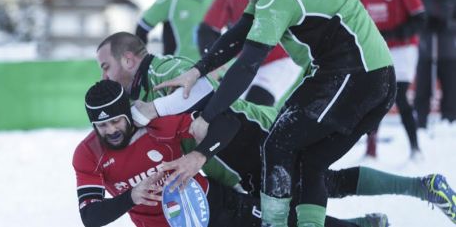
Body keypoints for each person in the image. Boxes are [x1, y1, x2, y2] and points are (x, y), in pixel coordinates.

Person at [96, 31, 456, 226]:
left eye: (106, 66)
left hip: (252, 137)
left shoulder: (163, 70)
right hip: (236, 152)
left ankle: (411, 195)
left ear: (129, 59)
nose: (104, 76)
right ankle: (389, 210)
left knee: (292, 198)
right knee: (313, 186)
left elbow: (212, 104)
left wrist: (159, 119)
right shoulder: (144, 90)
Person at [152, 0, 400, 225]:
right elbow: (239, 32)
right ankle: (415, 188)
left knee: (278, 143)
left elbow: (247, 64)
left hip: (358, 74)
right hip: (361, 73)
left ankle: (275, 222)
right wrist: (198, 70)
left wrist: (208, 116)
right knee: (310, 162)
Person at [73, 79, 268, 227]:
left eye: (116, 121)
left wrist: (198, 156)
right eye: (102, 125)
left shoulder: (156, 124)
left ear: (128, 115)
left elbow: (228, 123)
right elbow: (91, 216)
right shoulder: (88, 153)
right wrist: (132, 196)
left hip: (216, 206)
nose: (111, 131)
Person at [358, 0, 424, 159]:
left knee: (400, 97)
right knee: (373, 98)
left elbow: (420, 18)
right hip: (378, 51)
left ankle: (415, 149)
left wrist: (395, 33)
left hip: (403, 51)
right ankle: (370, 150)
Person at [198, 0, 302, 107]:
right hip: (247, 58)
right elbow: (208, 30)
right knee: (222, 104)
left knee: (255, 103)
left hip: (280, 59)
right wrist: (212, 64)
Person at [415, 0, 456, 131]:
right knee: (423, 88)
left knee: (451, 89)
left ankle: (450, 120)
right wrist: (427, 24)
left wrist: (447, 24)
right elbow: (415, 19)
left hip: (448, 53)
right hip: (427, 52)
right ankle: (421, 122)